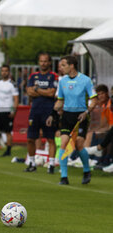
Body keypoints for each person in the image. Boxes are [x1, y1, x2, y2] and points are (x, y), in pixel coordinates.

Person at [46, 55, 98, 185]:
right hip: (67, 116)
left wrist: (87, 112)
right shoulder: (62, 81)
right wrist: (52, 114)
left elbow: (94, 99)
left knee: (79, 144)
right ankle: (64, 177)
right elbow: (60, 100)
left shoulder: (85, 80)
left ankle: (86, 170)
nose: (61, 68)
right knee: (63, 143)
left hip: (81, 116)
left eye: (63, 65)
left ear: (72, 66)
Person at [24, 53, 58, 174]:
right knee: (30, 138)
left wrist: (37, 89)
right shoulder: (33, 76)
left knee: (50, 138)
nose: (43, 63)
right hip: (35, 111)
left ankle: (52, 165)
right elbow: (29, 92)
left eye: (45, 61)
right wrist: (44, 91)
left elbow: (52, 93)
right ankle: (32, 163)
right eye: (41, 61)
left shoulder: (53, 76)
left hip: (48, 111)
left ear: (49, 63)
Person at [86, 85, 113, 172]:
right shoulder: (104, 106)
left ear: (107, 94)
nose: (100, 96)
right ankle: (96, 157)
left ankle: (102, 158)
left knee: (106, 134)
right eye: (98, 95)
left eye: (102, 94)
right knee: (95, 133)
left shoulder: (108, 105)